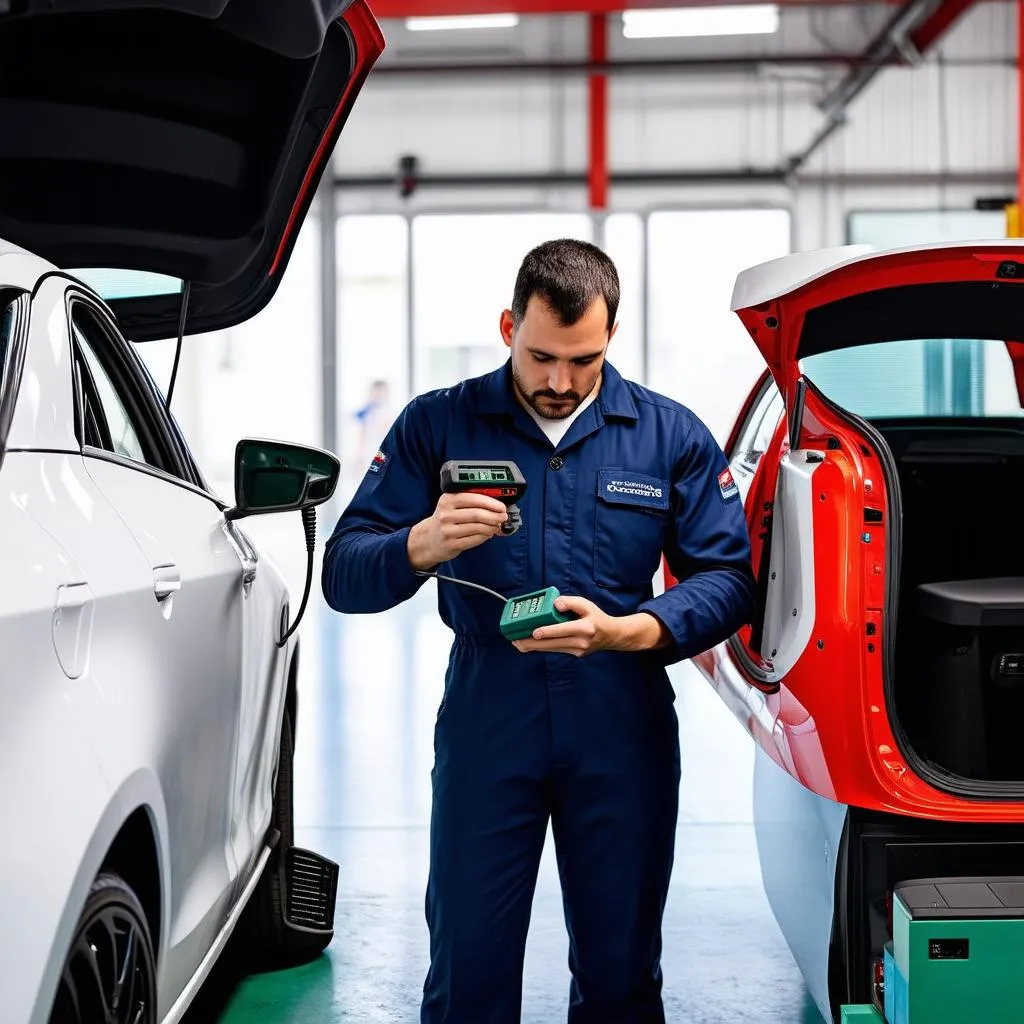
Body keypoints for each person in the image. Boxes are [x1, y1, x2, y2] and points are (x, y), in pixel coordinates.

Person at [321, 238, 756, 1023]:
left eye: (582, 360)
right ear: (506, 327)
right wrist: (419, 543)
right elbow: (344, 572)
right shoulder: (437, 425)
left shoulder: (670, 437)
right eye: (541, 356)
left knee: (622, 973)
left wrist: (633, 631)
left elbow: (728, 580)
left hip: (621, 720)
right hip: (492, 715)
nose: (559, 382)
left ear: (611, 338)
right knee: (468, 975)